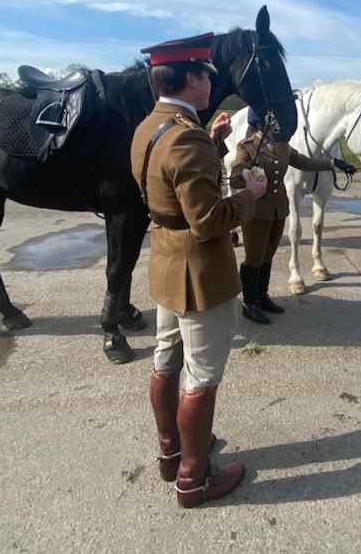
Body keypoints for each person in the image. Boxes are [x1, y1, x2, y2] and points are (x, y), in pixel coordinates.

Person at [131, 34, 267, 508]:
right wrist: (249, 193)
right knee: (202, 375)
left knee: (166, 357)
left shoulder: (153, 126)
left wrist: (213, 143)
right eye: (207, 75)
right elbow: (208, 221)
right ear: (191, 78)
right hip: (199, 270)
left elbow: (170, 182)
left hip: (166, 263)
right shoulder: (185, 136)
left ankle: (172, 452)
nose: (212, 82)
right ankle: (194, 477)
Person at [230, 107, 356, 324]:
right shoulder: (247, 147)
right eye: (274, 123)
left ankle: (263, 296)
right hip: (257, 213)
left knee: (268, 255)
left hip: (279, 211)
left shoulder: (282, 146)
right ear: (262, 123)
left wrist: (333, 163)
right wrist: (245, 171)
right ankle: (250, 303)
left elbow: (304, 162)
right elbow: (234, 178)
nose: (279, 126)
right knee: (254, 258)